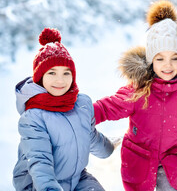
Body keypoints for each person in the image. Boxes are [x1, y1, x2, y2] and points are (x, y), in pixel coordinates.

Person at [93, 0, 177, 191]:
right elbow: (108, 107)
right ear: (150, 61)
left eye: (174, 58)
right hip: (140, 160)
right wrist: (82, 113)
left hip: (173, 160)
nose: (168, 65)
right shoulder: (139, 91)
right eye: (160, 58)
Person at [13, 28, 115, 191]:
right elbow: (40, 160)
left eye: (66, 73)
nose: (60, 80)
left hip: (76, 177)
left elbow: (89, 136)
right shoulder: (33, 117)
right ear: (40, 77)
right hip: (37, 183)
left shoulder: (82, 104)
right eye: (52, 73)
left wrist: (109, 147)